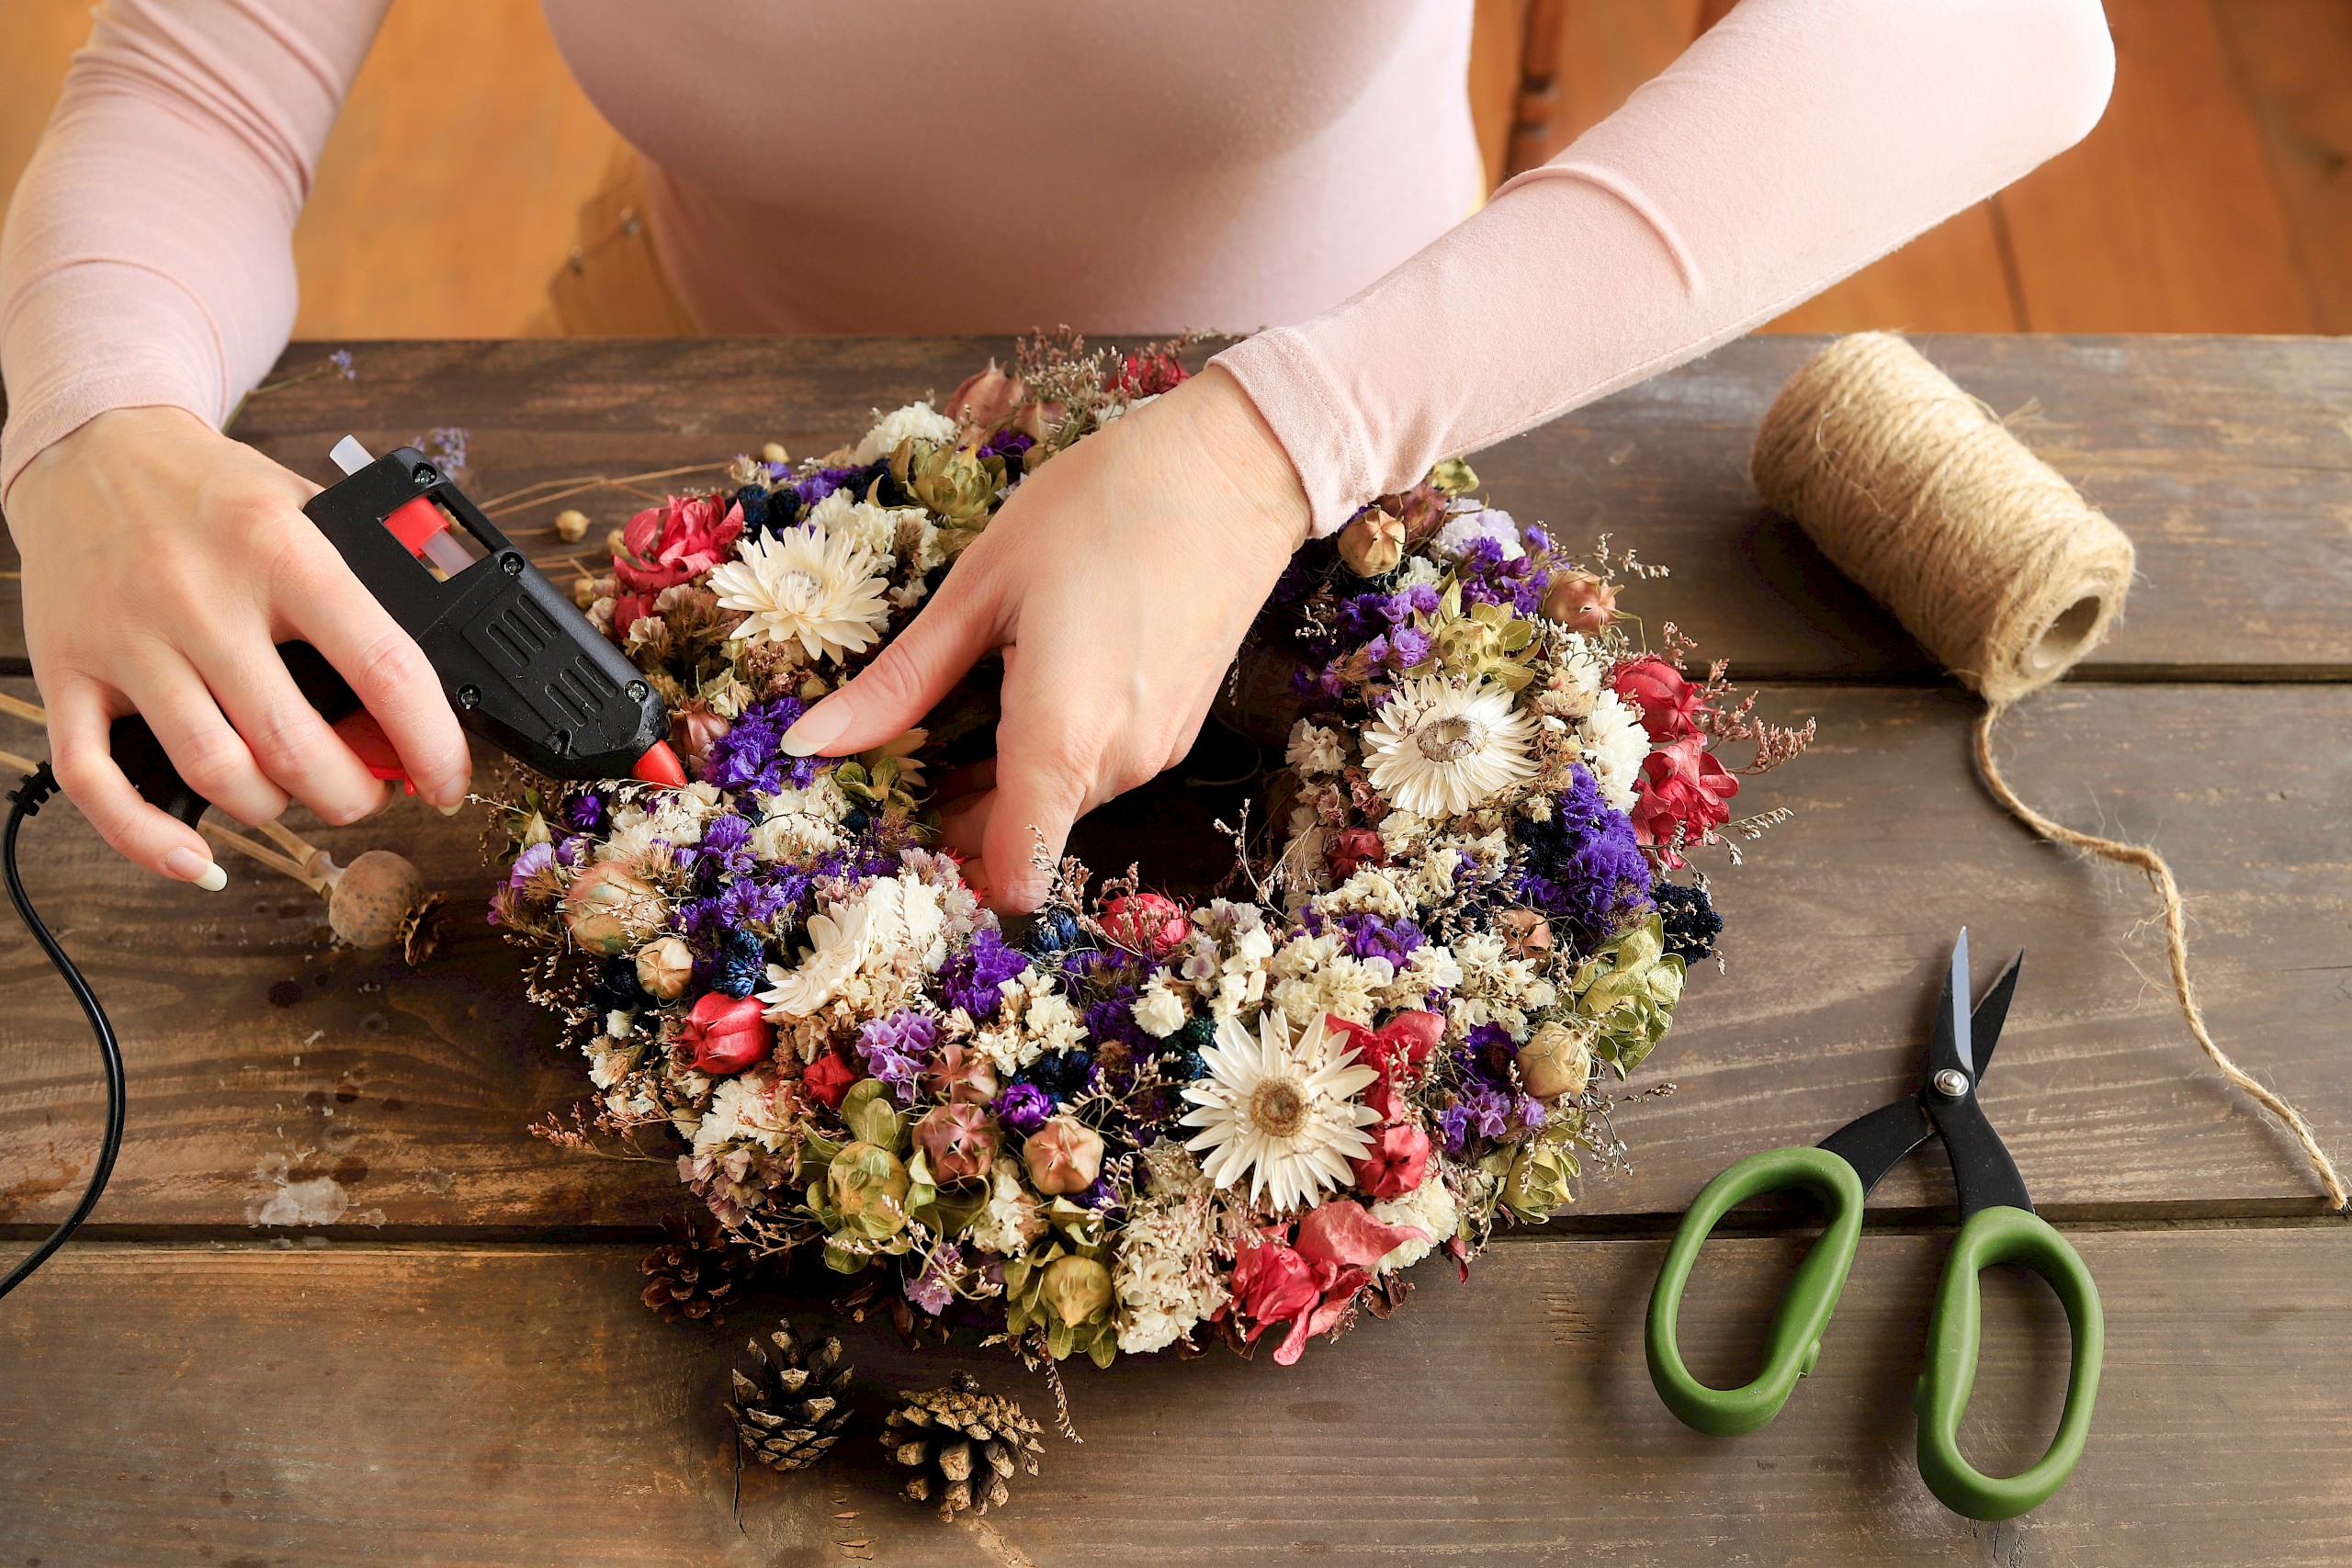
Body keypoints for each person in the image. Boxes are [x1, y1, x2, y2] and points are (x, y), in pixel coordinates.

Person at [0, 0, 2113, 912]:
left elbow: (1996, 31)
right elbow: (196, 84)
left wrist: (1275, 436)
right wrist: (95, 424)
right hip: (702, 396)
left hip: (1338, 436)